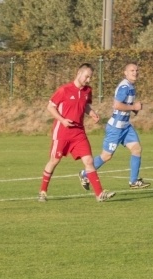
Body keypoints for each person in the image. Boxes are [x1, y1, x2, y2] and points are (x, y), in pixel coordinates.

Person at [38, 63, 115, 202]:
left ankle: (99, 194)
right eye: (87, 76)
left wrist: (92, 113)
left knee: (89, 161)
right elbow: (50, 107)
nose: (88, 80)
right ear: (79, 73)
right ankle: (43, 191)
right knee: (54, 161)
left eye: (90, 77)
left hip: (79, 133)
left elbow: (85, 105)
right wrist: (62, 120)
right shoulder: (64, 90)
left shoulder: (87, 91)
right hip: (62, 132)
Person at [79, 63, 150, 190]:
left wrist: (133, 108)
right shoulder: (124, 87)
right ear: (125, 72)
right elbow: (116, 105)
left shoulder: (131, 86)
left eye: (136, 70)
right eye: (132, 70)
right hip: (116, 128)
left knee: (136, 149)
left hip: (126, 127)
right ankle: (84, 174)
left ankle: (133, 181)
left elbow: (124, 105)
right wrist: (134, 107)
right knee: (106, 156)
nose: (135, 72)